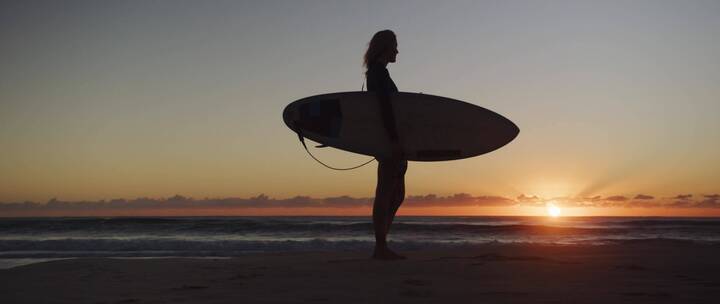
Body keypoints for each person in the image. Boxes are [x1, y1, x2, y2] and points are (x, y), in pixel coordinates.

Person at [364, 30, 408, 260]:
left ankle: (381, 243)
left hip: (391, 138)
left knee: (397, 193)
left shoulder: (380, 72)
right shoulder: (377, 73)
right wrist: (393, 140)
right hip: (388, 140)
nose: (397, 51)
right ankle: (380, 246)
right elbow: (384, 109)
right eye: (395, 46)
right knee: (385, 191)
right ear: (385, 47)